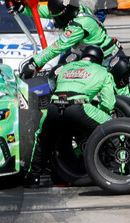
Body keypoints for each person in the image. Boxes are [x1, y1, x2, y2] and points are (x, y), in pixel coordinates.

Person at [24, 46, 122, 187]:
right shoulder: (102, 71)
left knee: (42, 138)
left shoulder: (66, 67)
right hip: (78, 107)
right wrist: (101, 110)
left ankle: (33, 177)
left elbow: (54, 86)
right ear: (98, 60)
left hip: (53, 107)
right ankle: (115, 172)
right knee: (113, 128)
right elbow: (108, 104)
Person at [16, 0, 120, 78]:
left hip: (107, 61)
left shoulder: (79, 25)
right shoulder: (76, 8)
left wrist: (34, 62)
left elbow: (57, 47)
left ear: (66, 13)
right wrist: (23, 8)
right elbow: (49, 12)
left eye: (58, 17)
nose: (55, 20)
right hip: (95, 57)